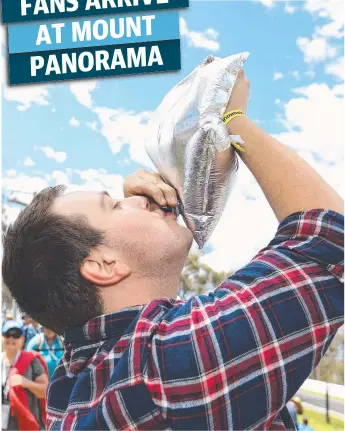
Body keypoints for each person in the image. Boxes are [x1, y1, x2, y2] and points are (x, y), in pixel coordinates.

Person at [2, 71, 344, 430]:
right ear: (103, 265)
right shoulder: (163, 367)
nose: (136, 199)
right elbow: (328, 238)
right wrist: (232, 117)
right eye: (115, 206)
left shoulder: (88, 379)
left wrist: (169, 187)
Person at [1, 320, 49, 430]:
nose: (11, 338)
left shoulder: (31, 361)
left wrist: (26, 383)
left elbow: (45, 391)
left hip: (26, 423)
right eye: (7, 334)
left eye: (16, 335)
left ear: (22, 339)